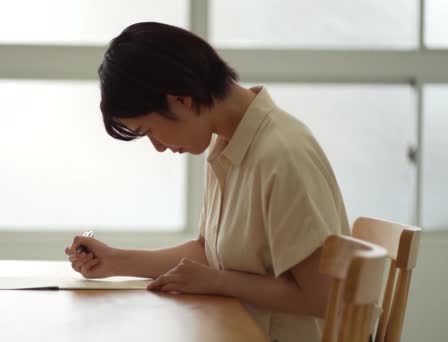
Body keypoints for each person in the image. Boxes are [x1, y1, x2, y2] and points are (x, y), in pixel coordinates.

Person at [64, 22, 349, 342]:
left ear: (181, 100)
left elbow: (323, 297)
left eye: (149, 131)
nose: (157, 147)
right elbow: (209, 252)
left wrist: (218, 282)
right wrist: (116, 261)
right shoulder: (228, 144)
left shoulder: (283, 155)